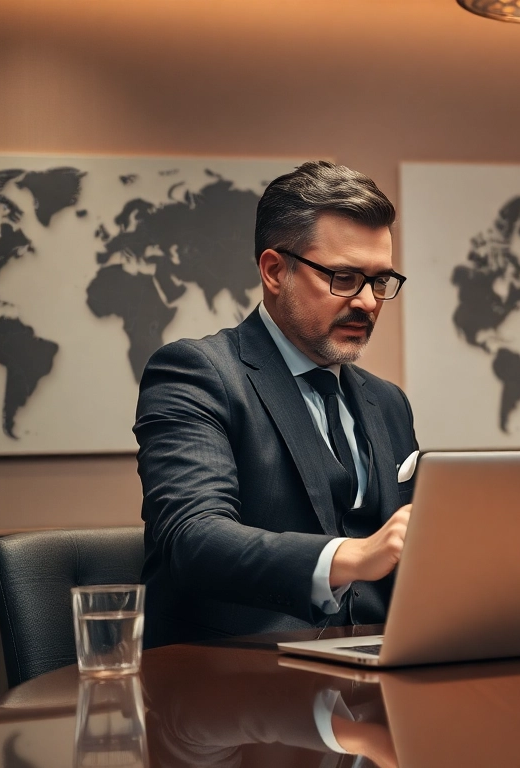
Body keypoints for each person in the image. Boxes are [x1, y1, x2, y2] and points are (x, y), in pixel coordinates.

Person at [135, 161, 419, 647]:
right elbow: (193, 538)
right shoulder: (197, 373)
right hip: (234, 687)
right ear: (274, 271)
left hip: (379, 674)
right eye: (346, 277)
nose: (369, 302)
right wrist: (353, 556)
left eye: (379, 281)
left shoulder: (389, 402)